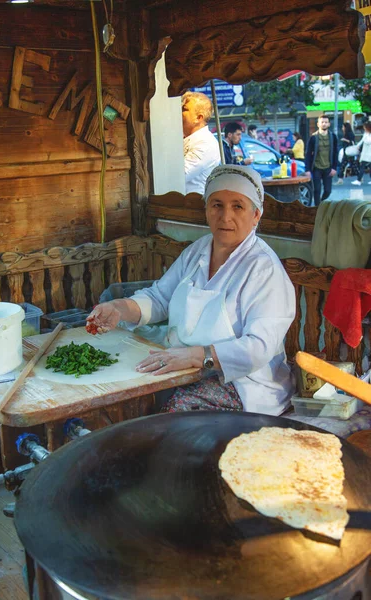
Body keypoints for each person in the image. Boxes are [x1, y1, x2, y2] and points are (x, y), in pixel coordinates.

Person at [87, 165, 296, 416]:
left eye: (238, 206)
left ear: (256, 215)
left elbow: (258, 348)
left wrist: (200, 356)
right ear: (206, 210)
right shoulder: (198, 250)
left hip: (244, 384)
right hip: (185, 366)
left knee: (176, 413)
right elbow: (160, 297)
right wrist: (120, 308)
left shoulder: (264, 269)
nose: (225, 216)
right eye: (217, 204)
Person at [181, 91, 221, 194]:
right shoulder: (184, 138)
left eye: (184, 109)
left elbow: (179, 175)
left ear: (198, 118)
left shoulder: (205, 143)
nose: (178, 113)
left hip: (191, 205)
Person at [305, 115, 338, 207]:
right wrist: (307, 169)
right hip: (316, 168)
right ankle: (317, 208)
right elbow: (308, 154)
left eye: (326, 122)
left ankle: (322, 202)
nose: (324, 124)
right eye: (322, 122)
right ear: (318, 124)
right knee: (317, 190)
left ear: (329, 124)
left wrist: (334, 168)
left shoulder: (333, 137)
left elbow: (335, 153)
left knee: (328, 190)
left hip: (328, 167)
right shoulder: (313, 138)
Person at [351, 122, 371, 186]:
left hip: (368, 153)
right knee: (367, 166)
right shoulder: (366, 133)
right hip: (366, 153)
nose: (364, 128)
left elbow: (368, 141)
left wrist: (364, 139)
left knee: (362, 166)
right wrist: (357, 145)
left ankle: (359, 180)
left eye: (365, 127)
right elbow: (362, 140)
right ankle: (359, 180)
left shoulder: (369, 134)